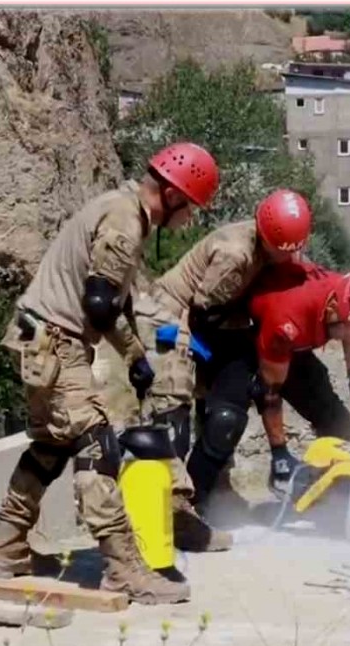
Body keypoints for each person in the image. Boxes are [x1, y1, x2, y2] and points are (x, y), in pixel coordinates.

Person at [0, 142, 219, 605]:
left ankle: (7, 549)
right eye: (190, 208)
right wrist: (133, 354)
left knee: (51, 447)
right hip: (56, 341)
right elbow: (98, 302)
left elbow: (111, 302)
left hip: (40, 339)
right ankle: (123, 569)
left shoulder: (119, 210)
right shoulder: (125, 221)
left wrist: (135, 359)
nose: (189, 220)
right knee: (96, 446)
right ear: (171, 194)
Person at [133, 189, 313, 544]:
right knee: (173, 408)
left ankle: (215, 489)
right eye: (286, 250)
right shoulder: (236, 254)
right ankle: (173, 512)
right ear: (269, 237)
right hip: (170, 318)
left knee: (225, 410)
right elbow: (204, 311)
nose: (290, 256)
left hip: (210, 323)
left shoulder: (273, 244)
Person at [183, 260, 350, 505]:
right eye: (349, 332)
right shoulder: (290, 314)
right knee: (226, 422)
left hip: (291, 341)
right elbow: (269, 391)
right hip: (240, 334)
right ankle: (191, 504)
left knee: (336, 420)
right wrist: (279, 454)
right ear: (333, 308)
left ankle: (337, 501)